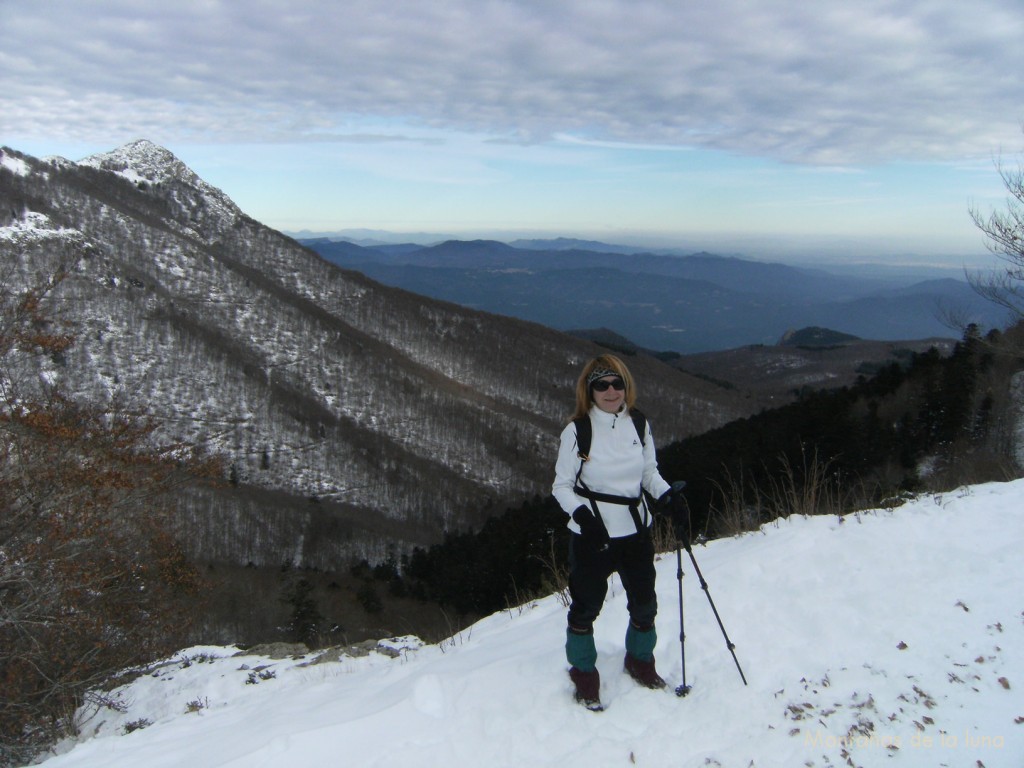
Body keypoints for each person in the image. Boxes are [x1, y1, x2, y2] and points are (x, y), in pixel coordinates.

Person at [552, 354, 688, 709]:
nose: (611, 391)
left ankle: (640, 660)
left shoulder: (638, 424)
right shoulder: (578, 430)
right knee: (585, 607)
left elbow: (648, 473)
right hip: (593, 536)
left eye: (617, 383)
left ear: (626, 386)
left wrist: (669, 496)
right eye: (602, 384)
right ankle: (584, 672)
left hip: (636, 530)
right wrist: (584, 518)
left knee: (645, 602)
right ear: (589, 390)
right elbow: (561, 486)